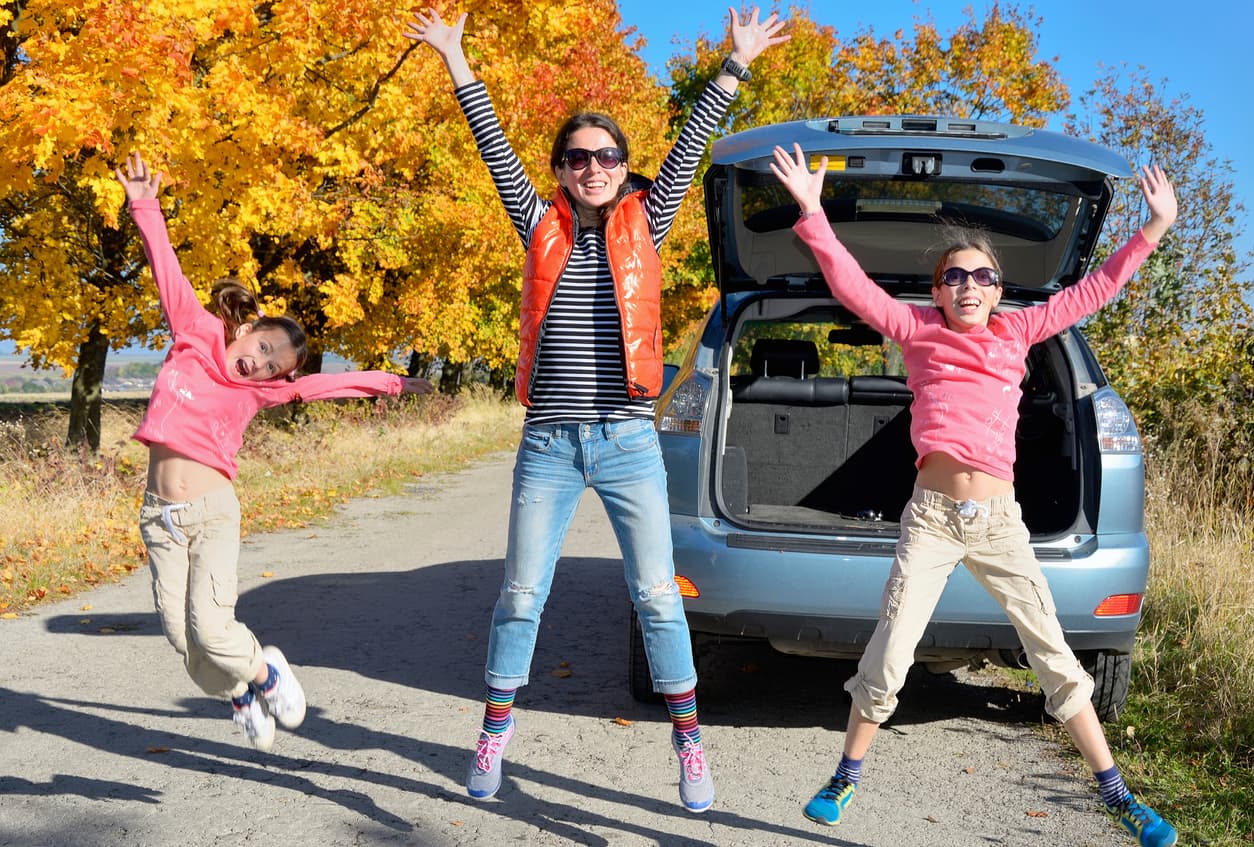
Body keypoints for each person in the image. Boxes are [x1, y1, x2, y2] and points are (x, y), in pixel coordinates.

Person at [403, 6, 787, 812]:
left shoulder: (649, 219)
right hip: (547, 442)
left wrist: (736, 63)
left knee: (656, 595)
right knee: (520, 594)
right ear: (560, 168)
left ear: (623, 166)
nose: (594, 167)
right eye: (578, 157)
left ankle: (688, 740)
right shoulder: (537, 222)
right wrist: (455, 58)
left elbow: (692, 142)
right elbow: (490, 143)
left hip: (626, 439)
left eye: (608, 155)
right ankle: (494, 731)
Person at [768, 143, 1179, 847]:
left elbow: (1094, 290)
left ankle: (1118, 794)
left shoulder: (1019, 330)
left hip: (998, 523)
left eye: (982, 276)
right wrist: (811, 212)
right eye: (953, 276)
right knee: (890, 652)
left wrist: (1153, 228)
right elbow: (853, 287)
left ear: (997, 290)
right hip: (931, 520)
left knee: (1053, 654)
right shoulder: (918, 331)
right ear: (936, 292)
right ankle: (844, 777)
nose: (967, 285)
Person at [116, 153, 433, 752]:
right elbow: (166, 269)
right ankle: (239, 694)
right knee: (183, 640)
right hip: (158, 517)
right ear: (246, 330)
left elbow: (326, 385)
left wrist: (391, 382)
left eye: (271, 366)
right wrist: (145, 205)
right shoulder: (193, 332)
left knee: (212, 627)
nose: (259, 364)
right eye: (262, 348)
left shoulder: (259, 392)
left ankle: (267, 674)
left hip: (211, 514)